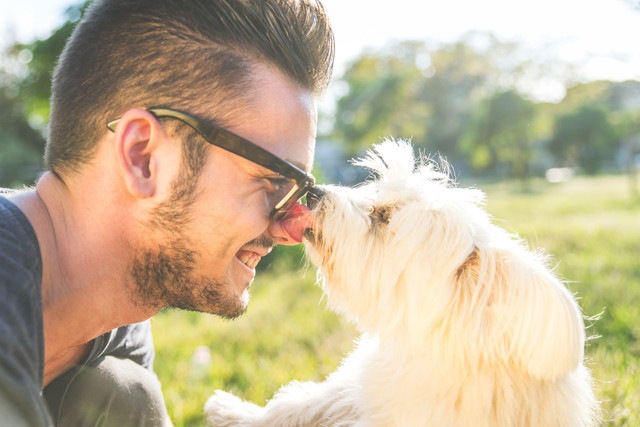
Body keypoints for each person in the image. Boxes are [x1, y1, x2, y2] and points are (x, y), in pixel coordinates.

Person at [0, 0, 334, 425]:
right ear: (143, 157)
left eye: (299, 190)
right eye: (273, 181)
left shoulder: (119, 332)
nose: (291, 230)